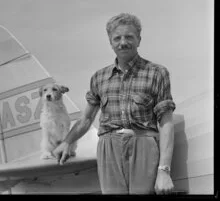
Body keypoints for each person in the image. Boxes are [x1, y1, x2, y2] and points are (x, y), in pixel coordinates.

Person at [52, 13, 176, 195]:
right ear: (110, 42)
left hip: (143, 144)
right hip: (108, 148)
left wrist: (164, 170)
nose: (123, 42)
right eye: (117, 38)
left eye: (129, 37)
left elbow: (166, 123)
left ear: (139, 39)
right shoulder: (99, 77)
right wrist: (67, 142)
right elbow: (86, 118)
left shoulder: (157, 73)